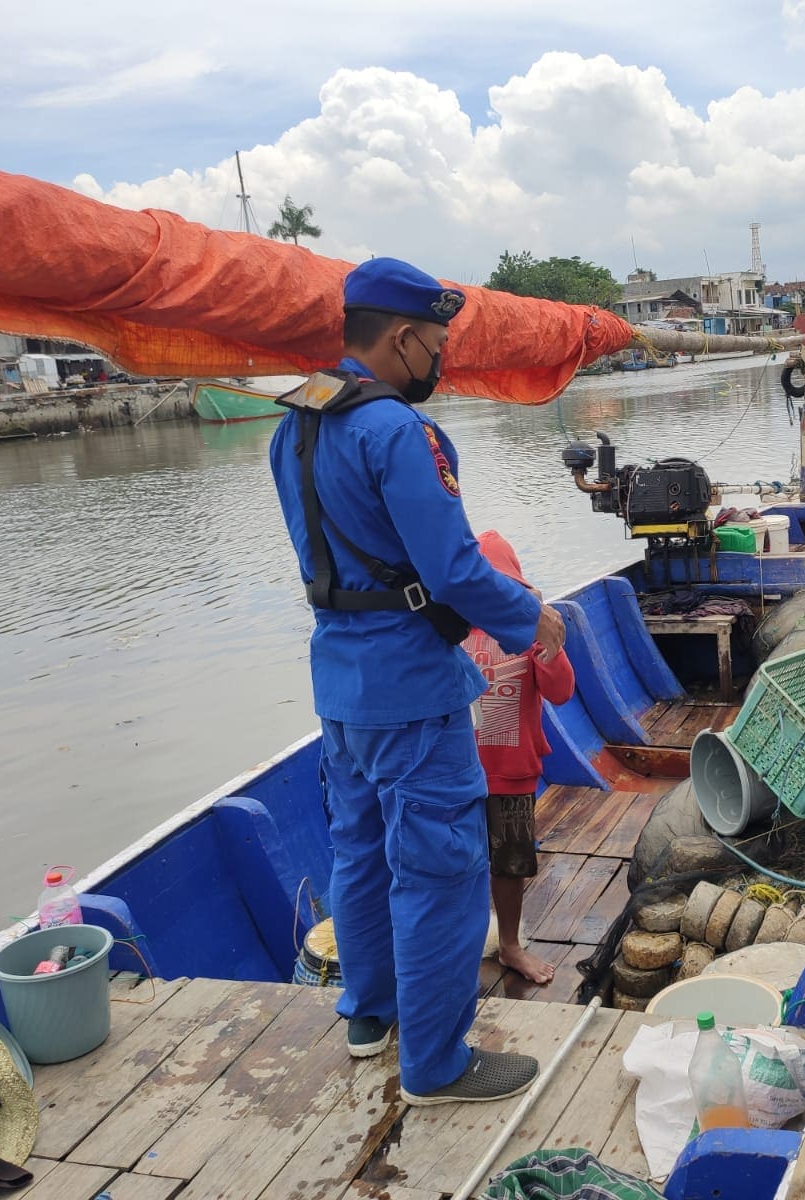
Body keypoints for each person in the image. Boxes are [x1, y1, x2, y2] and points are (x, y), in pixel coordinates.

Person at [268, 257, 566, 1106]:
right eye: (436, 344)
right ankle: (437, 1063)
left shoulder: (294, 425)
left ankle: (369, 1018)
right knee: (438, 869)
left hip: (340, 684)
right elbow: (454, 568)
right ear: (401, 339)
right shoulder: (397, 431)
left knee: (359, 855)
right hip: (412, 689)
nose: (439, 360)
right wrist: (530, 618)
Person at [464, 530, 576, 986]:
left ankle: (509, 946)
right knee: (456, 864)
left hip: (511, 774)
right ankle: (459, 944)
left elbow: (562, 691)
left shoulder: (528, 633)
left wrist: (550, 647)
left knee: (510, 864)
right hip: (455, 775)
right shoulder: (446, 631)